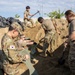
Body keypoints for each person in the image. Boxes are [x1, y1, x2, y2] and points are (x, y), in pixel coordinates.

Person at [64, 10, 75, 75]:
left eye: (66, 17)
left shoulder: (73, 22)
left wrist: (66, 41)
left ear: (69, 15)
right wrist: (68, 36)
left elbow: (74, 34)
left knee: (72, 61)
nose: (66, 19)